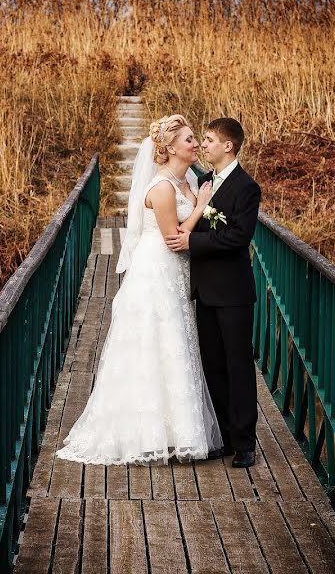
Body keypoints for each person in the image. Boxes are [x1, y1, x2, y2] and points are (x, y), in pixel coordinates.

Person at [55, 114, 222, 465]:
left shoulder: (189, 179)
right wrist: (203, 206)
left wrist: (201, 199)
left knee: (176, 344)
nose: (196, 144)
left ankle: (179, 432)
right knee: (155, 342)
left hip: (175, 275)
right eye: (190, 139)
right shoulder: (161, 188)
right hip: (156, 270)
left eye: (195, 139)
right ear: (170, 147)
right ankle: (145, 434)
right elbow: (174, 238)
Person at [165, 117, 261, 468]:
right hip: (204, 292)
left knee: (238, 366)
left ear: (228, 146)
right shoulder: (203, 181)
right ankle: (222, 435)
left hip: (233, 292)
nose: (203, 146)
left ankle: (245, 442)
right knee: (212, 366)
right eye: (201, 139)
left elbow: (239, 237)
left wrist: (194, 241)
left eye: (208, 140)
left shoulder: (246, 188)